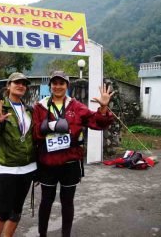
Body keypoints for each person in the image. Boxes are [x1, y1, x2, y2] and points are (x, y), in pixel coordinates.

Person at [33, 70, 114, 237]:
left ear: (67, 86)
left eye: (61, 83)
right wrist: (47, 127)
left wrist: (104, 107)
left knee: (67, 202)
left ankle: (66, 235)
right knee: (46, 202)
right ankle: (42, 234)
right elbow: (34, 133)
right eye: (54, 83)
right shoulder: (40, 107)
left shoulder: (76, 106)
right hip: (48, 162)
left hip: (70, 163)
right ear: (50, 86)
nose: (57, 86)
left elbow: (98, 123)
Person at [0, 72, 37, 237]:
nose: (21, 85)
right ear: (9, 86)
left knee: (16, 211)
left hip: (28, 169)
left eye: (24, 83)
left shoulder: (29, 110)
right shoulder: (0, 108)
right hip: (8, 169)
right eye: (17, 82)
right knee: (3, 212)